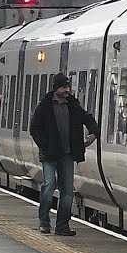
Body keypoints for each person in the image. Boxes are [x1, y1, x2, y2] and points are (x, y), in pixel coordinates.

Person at [29, 73, 99, 236]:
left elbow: (88, 119)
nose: (67, 90)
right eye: (64, 87)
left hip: (68, 154)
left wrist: (93, 133)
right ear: (56, 88)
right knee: (49, 185)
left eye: (68, 87)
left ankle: (62, 225)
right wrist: (44, 145)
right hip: (49, 154)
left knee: (67, 190)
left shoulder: (73, 106)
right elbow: (35, 129)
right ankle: (44, 222)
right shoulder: (44, 106)